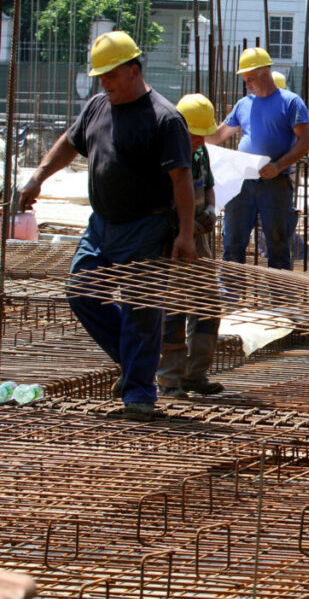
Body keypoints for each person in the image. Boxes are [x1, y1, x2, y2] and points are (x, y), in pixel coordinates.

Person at [18, 31, 197, 422]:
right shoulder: (98, 106)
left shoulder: (165, 119)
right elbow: (69, 141)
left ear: (134, 70)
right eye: (101, 76)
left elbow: (181, 180)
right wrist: (38, 177)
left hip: (146, 228)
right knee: (81, 291)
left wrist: (185, 234)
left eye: (111, 75)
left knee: (141, 311)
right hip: (102, 225)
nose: (105, 83)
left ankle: (139, 396)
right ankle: (134, 363)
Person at [207, 47, 309, 270]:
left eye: (250, 79)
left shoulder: (290, 102)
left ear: (265, 74)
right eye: (245, 79)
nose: (247, 84)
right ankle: (232, 297)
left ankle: (279, 300)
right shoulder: (243, 104)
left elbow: (306, 142)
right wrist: (191, 133)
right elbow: (218, 135)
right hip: (243, 183)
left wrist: (278, 165)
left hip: (276, 183)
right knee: (233, 240)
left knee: (277, 243)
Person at [156, 94, 224, 398]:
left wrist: (210, 211)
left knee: (209, 305)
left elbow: (208, 188)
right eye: (195, 135)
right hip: (173, 242)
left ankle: (195, 375)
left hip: (199, 241)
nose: (199, 140)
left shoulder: (200, 153)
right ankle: (170, 379)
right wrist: (184, 226)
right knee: (174, 306)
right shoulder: (164, 152)